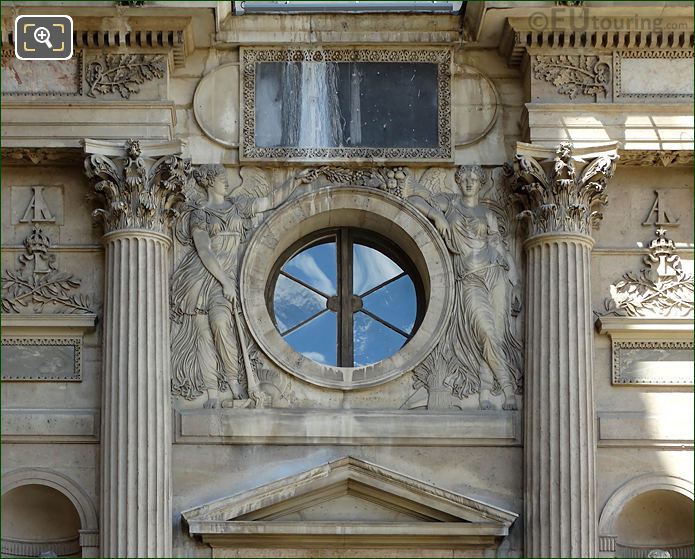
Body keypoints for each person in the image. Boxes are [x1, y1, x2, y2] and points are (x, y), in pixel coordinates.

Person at [170, 165, 301, 408]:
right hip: (201, 278)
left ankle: (233, 383)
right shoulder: (200, 214)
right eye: (221, 178)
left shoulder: (238, 206)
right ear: (209, 182)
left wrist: (295, 182)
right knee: (202, 335)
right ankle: (211, 392)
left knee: (220, 323)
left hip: (229, 276)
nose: (226, 182)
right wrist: (225, 281)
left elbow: (269, 201)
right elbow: (204, 250)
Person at [409, 165, 522, 410]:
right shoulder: (448, 203)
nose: (470, 182)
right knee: (485, 332)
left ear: (481, 182)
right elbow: (413, 198)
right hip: (469, 277)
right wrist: (436, 215)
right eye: (465, 178)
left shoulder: (487, 213)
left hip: (495, 274)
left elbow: (500, 247)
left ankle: (488, 393)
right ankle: (508, 389)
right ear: (458, 182)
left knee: (498, 336)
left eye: (474, 178)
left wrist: (515, 283)